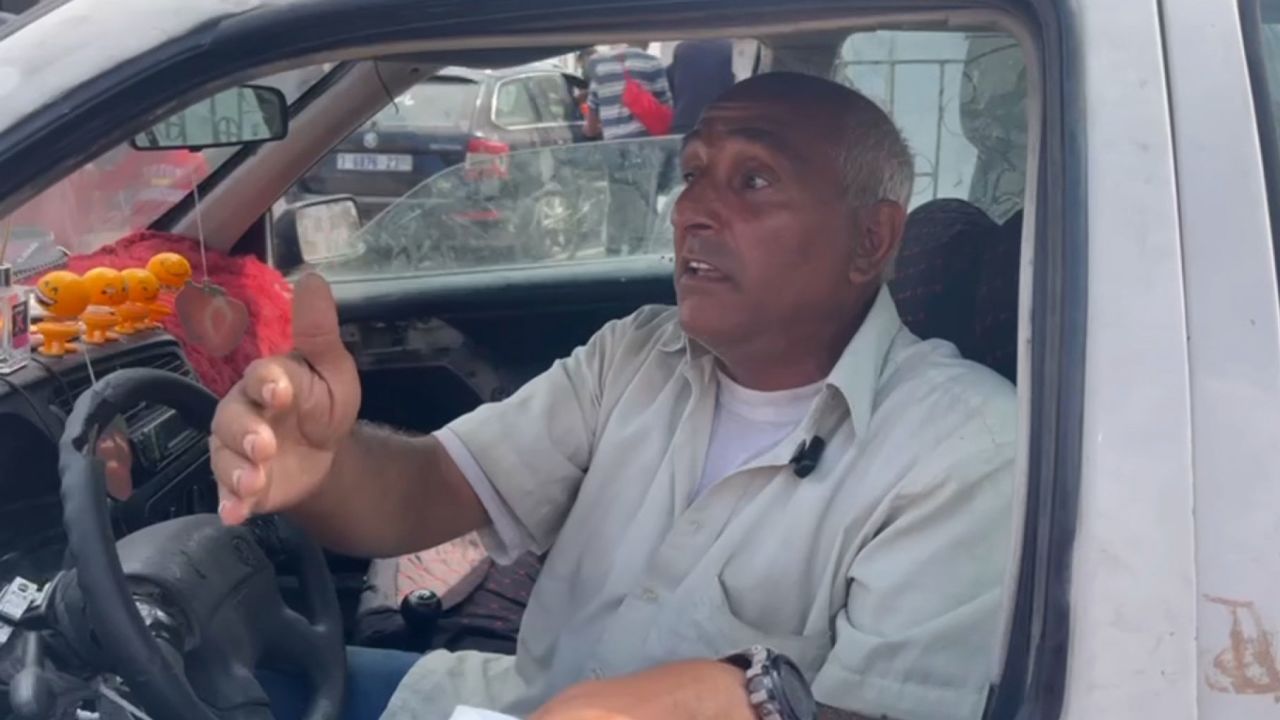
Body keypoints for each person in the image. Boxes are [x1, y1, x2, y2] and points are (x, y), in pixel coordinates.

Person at [214, 72, 1015, 720]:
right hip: (505, 704)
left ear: (871, 240)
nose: (693, 209)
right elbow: (428, 489)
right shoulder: (638, 352)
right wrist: (322, 464)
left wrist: (745, 697)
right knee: (212, 672)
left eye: (755, 179)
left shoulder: (965, 451)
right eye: (696, 172)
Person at [583, 42, 673, 256]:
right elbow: (667, 107)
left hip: (613, 146)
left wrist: (590, 133)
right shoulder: (652, 63)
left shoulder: (600, 65)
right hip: (644, 144)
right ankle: (641, 252)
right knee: (644, 197)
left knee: (618, 199)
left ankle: (612, 251)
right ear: (646, 40)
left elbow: (592, 117)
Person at [666, 38, 738, 135]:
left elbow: (670, 82)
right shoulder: (730, 49)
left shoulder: (683, 48)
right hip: (719, 122)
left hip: (684, 122)